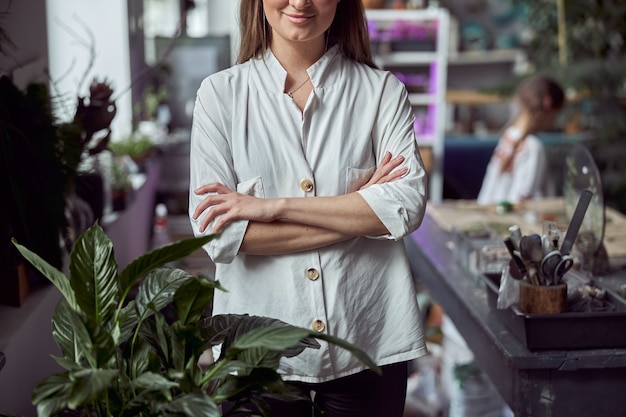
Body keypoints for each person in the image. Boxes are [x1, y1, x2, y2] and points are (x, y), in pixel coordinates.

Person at [188, 0, 429, 416]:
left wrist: (271, 208)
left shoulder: (381, 92)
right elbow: (219, 234)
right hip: (257, 351)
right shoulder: (220, 96)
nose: (300, 2)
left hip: (368, 335)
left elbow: (405, 207)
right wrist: (359, 210)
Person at [477, 75, 565, 205]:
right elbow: (524, 199)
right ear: (549, 111)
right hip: (519, 222)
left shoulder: (508, 136)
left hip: (493, 217)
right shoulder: (533, 147)